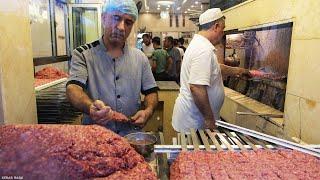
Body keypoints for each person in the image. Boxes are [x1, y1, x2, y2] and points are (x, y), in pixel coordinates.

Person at [66, 0, 158, 136]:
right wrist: (90, 107)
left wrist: (148, 111)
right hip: (95, 136)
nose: (121, 27)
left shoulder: (140, 58)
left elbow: (151, 92)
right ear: (103, 19)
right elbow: (73, 88)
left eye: (128, 22)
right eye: (116, 18)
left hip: (131, 136)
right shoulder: (83, 55)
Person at [172, 8, 250, 133]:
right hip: (194, 124)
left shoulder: (200, 44)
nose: (223, 33)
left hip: (193, 121)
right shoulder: (204, 50)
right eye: (223, 29)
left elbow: (215, 68)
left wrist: (239, 71)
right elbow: (196, 87)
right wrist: (209, 120)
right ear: (216, 26)